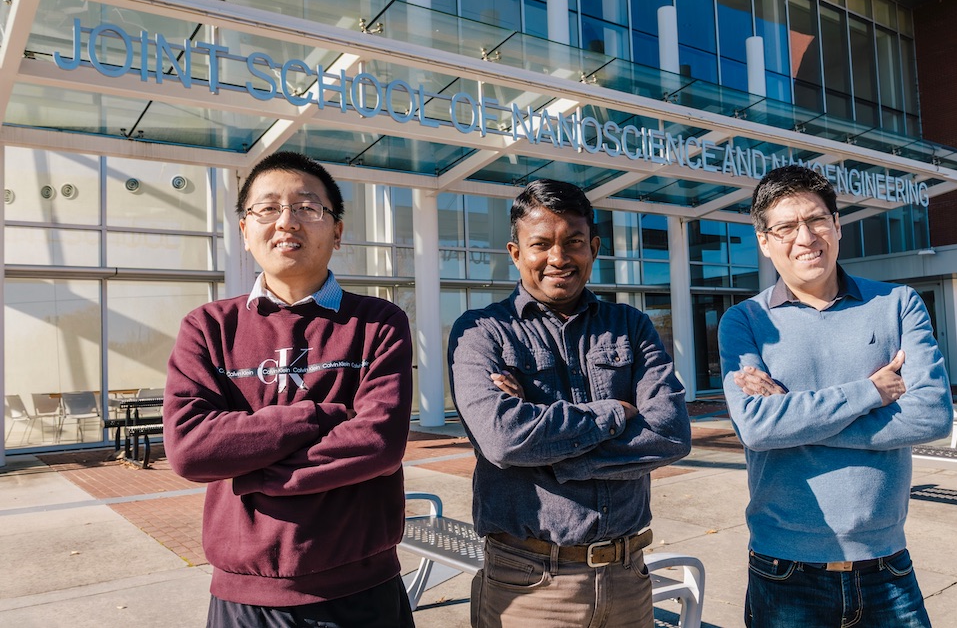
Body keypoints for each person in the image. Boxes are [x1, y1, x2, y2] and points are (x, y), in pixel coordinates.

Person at [163, 151, 415, 627]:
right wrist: (319, 417)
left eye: (307, 207)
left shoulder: (378, 323)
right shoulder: (209, 327)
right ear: (243, 230)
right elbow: (191, 450)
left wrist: (252, 473)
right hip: (245, 594)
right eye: (267, 208)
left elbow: (380, 444)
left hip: (361, 587)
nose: (287, 221)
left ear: (337, 230)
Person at [447, 179, 692, 628]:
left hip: (628, 577)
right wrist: (615, 412)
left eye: (573, 242)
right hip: (528, 584)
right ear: (516, 252)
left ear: (594, 248)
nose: (558, 258)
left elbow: (671, 433)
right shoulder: (482, 332)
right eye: (540, 244)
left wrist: (550, 454)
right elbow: (503, 440)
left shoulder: (631, 325)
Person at [718, 165, 953, 627]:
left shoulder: (898, 304)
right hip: (783, 569)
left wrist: (797, 421)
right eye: (786, 227)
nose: (805, 237)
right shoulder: (744, 321)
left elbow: (931, 416)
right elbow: (758, 429)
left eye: (817, 220)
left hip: (886, 563)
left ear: (838, 226)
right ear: (764, 242)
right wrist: (869, 391)